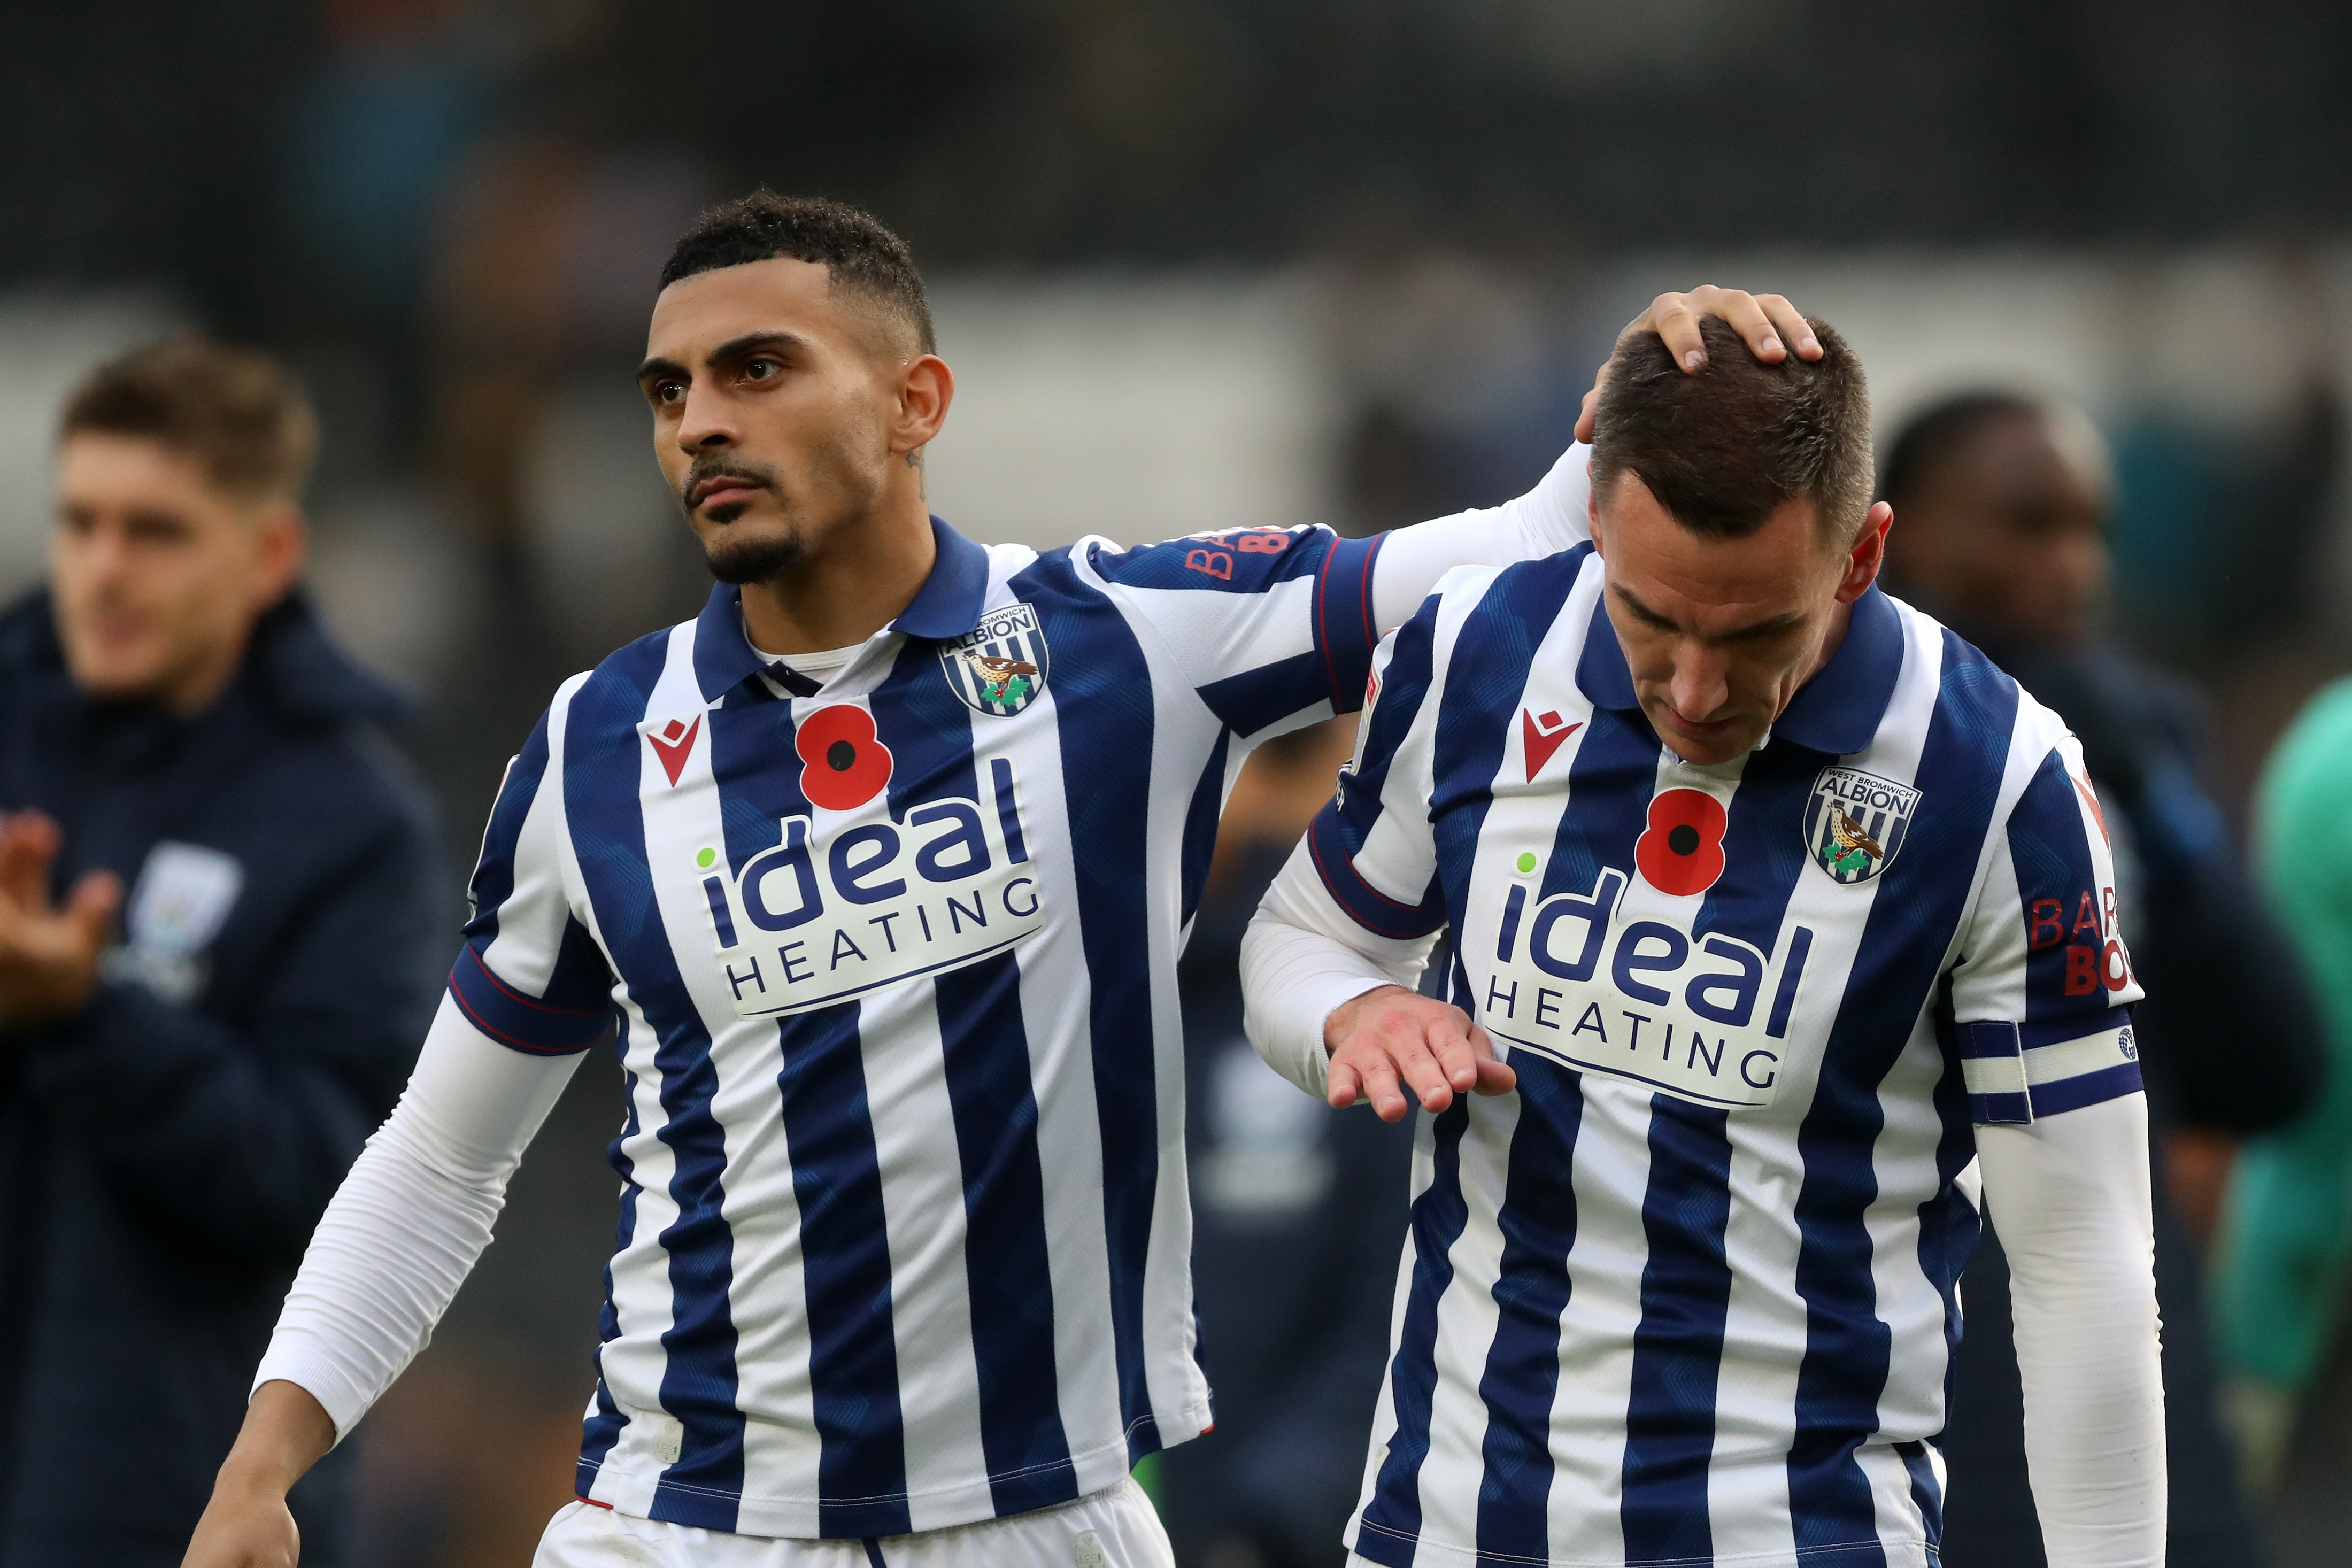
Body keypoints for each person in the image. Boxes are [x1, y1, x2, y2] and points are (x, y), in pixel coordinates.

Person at [181, 192, 1820, 1568]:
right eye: (670, 386)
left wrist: (1648, 376)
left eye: (760, 367)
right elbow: (446, 1154)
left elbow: (1521, 542)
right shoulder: (597, 743)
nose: (703, 420)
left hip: (1049, 1521)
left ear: (917, 401)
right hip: (682, 1523)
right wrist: (268, 1456)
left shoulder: (1122, 637)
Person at [1240, 316, 2165, 1567]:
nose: (1689, 691)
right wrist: (1351, 1013)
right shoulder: (1475, 653)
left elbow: (2083, 1265)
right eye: (1648, 618)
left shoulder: (2001, 780)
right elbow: (1298, 942)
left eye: (1752, 637)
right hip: (1445, 1531)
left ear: (1861, 556)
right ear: (1599, 528)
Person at [0, 336, 445, 1565]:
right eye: (80, 521)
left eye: (156, 531)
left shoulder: (353, 826)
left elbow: (338, 1189)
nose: (103, 568)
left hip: (176, 1517)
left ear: (267, 556)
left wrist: (83, 1014)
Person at [1877, 391, 2320, 1568]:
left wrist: (2158, 806)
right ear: (1900, 532)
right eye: (2025, 525)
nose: (2068, 565)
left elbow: (2275, 1065)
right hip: (1908, 1378)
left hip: (2136, 1361)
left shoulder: (2128, 739)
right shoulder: (1814, 757)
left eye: (2088, 530)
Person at [1160, 719, 1416, 1568]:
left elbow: (1390, 1319)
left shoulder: (1404, 1024)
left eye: (1275, 761)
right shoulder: (1101, 1004)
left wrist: (1265, 1530)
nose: (1245, 800)